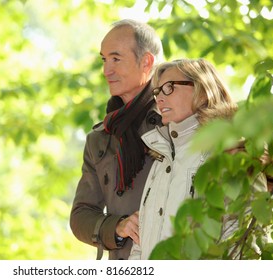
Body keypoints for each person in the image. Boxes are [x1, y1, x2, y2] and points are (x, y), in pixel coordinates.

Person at [69, 19, 164, 260]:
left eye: (116, 59)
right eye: (104, 60)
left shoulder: (175, 122)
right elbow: (81, 215)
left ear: (146, 62)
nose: (106, 70)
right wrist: (117, 227)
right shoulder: (99, 139)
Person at [128, 58, 240, 260]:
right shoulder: (161, 160)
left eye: (169, 87)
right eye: (157, 92)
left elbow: (239, 239)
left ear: (202, 89)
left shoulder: (229, 152)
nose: (159, 98)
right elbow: (140, 244)